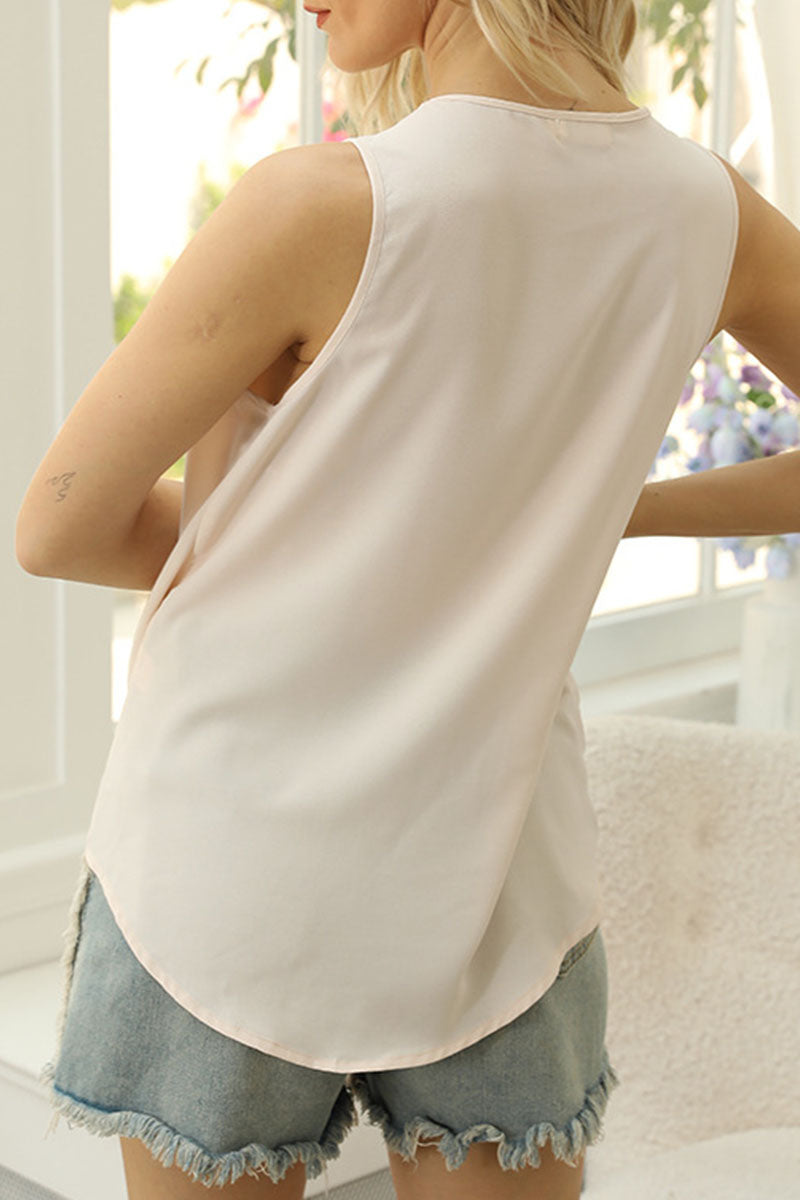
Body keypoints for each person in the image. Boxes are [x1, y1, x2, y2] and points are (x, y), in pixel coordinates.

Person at [15, 0, 800, 1197]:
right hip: (499, 878)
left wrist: (378, 531)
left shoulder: (315, 205)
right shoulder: (707, 211)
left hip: (225, 868)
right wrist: (591, 513)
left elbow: (61, 527)